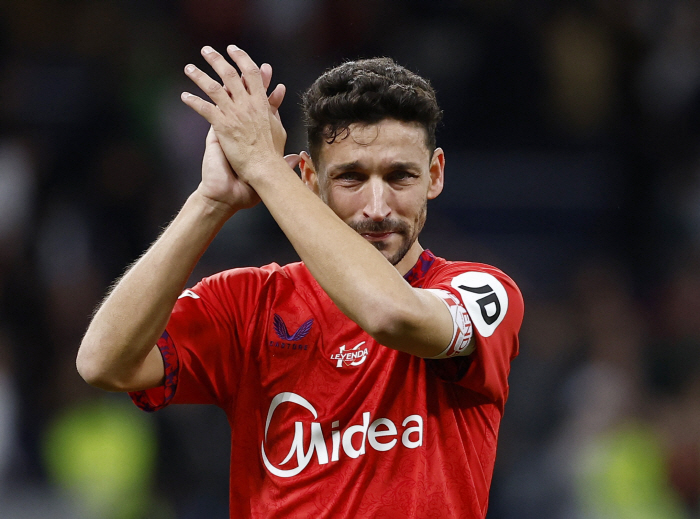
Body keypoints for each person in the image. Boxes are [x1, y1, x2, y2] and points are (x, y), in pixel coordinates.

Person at [77, 45, 524, 518]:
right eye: (351, 178)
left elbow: (391, 314)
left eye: (400, 176)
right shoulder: (249, 303)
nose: (377, 206)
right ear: (309, 178)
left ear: (434, 175)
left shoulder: (482, 290)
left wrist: (266, 168)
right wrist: (210, 201)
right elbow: (103, 362)